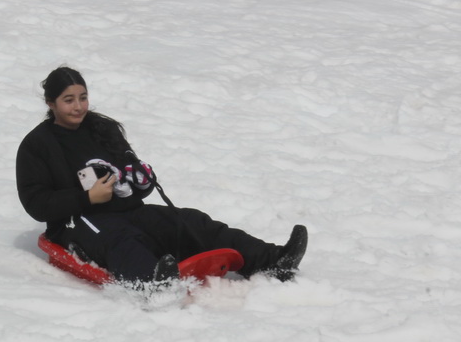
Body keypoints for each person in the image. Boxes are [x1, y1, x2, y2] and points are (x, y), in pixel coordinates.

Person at [16, 66, 307, 288]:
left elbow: (131, 169)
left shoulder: (102, 128)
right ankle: (153, 284)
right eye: (68, 100)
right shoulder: (37, 145)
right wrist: (86, 198)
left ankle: (273, 261)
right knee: (120, 239)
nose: (79, 107)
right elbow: (36, 203)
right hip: (77, 223)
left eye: (83, 98)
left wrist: (141, 181)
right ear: (51, 103)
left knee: (191, 221)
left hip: (127, 210)